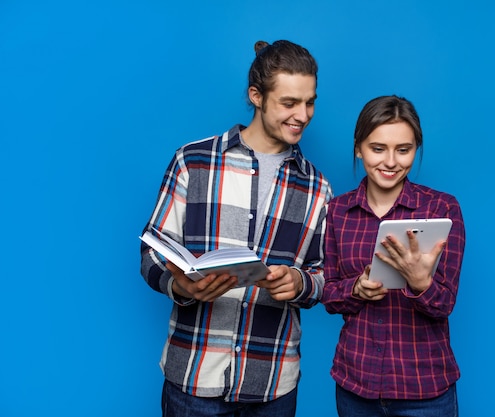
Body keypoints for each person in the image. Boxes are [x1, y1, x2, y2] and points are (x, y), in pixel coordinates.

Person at [140, 39, 333, 417]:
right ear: (256, 96)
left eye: (310, 102)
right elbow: (151, 254)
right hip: (194, 376)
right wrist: (180, 284)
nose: (303, 115)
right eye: (289, 103)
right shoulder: (192, 162)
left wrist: (299, 283)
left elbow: (325, 275)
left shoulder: (317, 187)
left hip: (273, 384)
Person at [321, 95, 465, 417]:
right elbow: (329, 295)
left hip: (424, 388)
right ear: (358, 147)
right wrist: (356, 288)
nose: (391, 161)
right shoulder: (338, 212)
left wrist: (419, 283)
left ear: (416, 148)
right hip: (355, 385)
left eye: (404, 149)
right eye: (377, 148)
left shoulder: (441, 209)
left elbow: (445, 304)